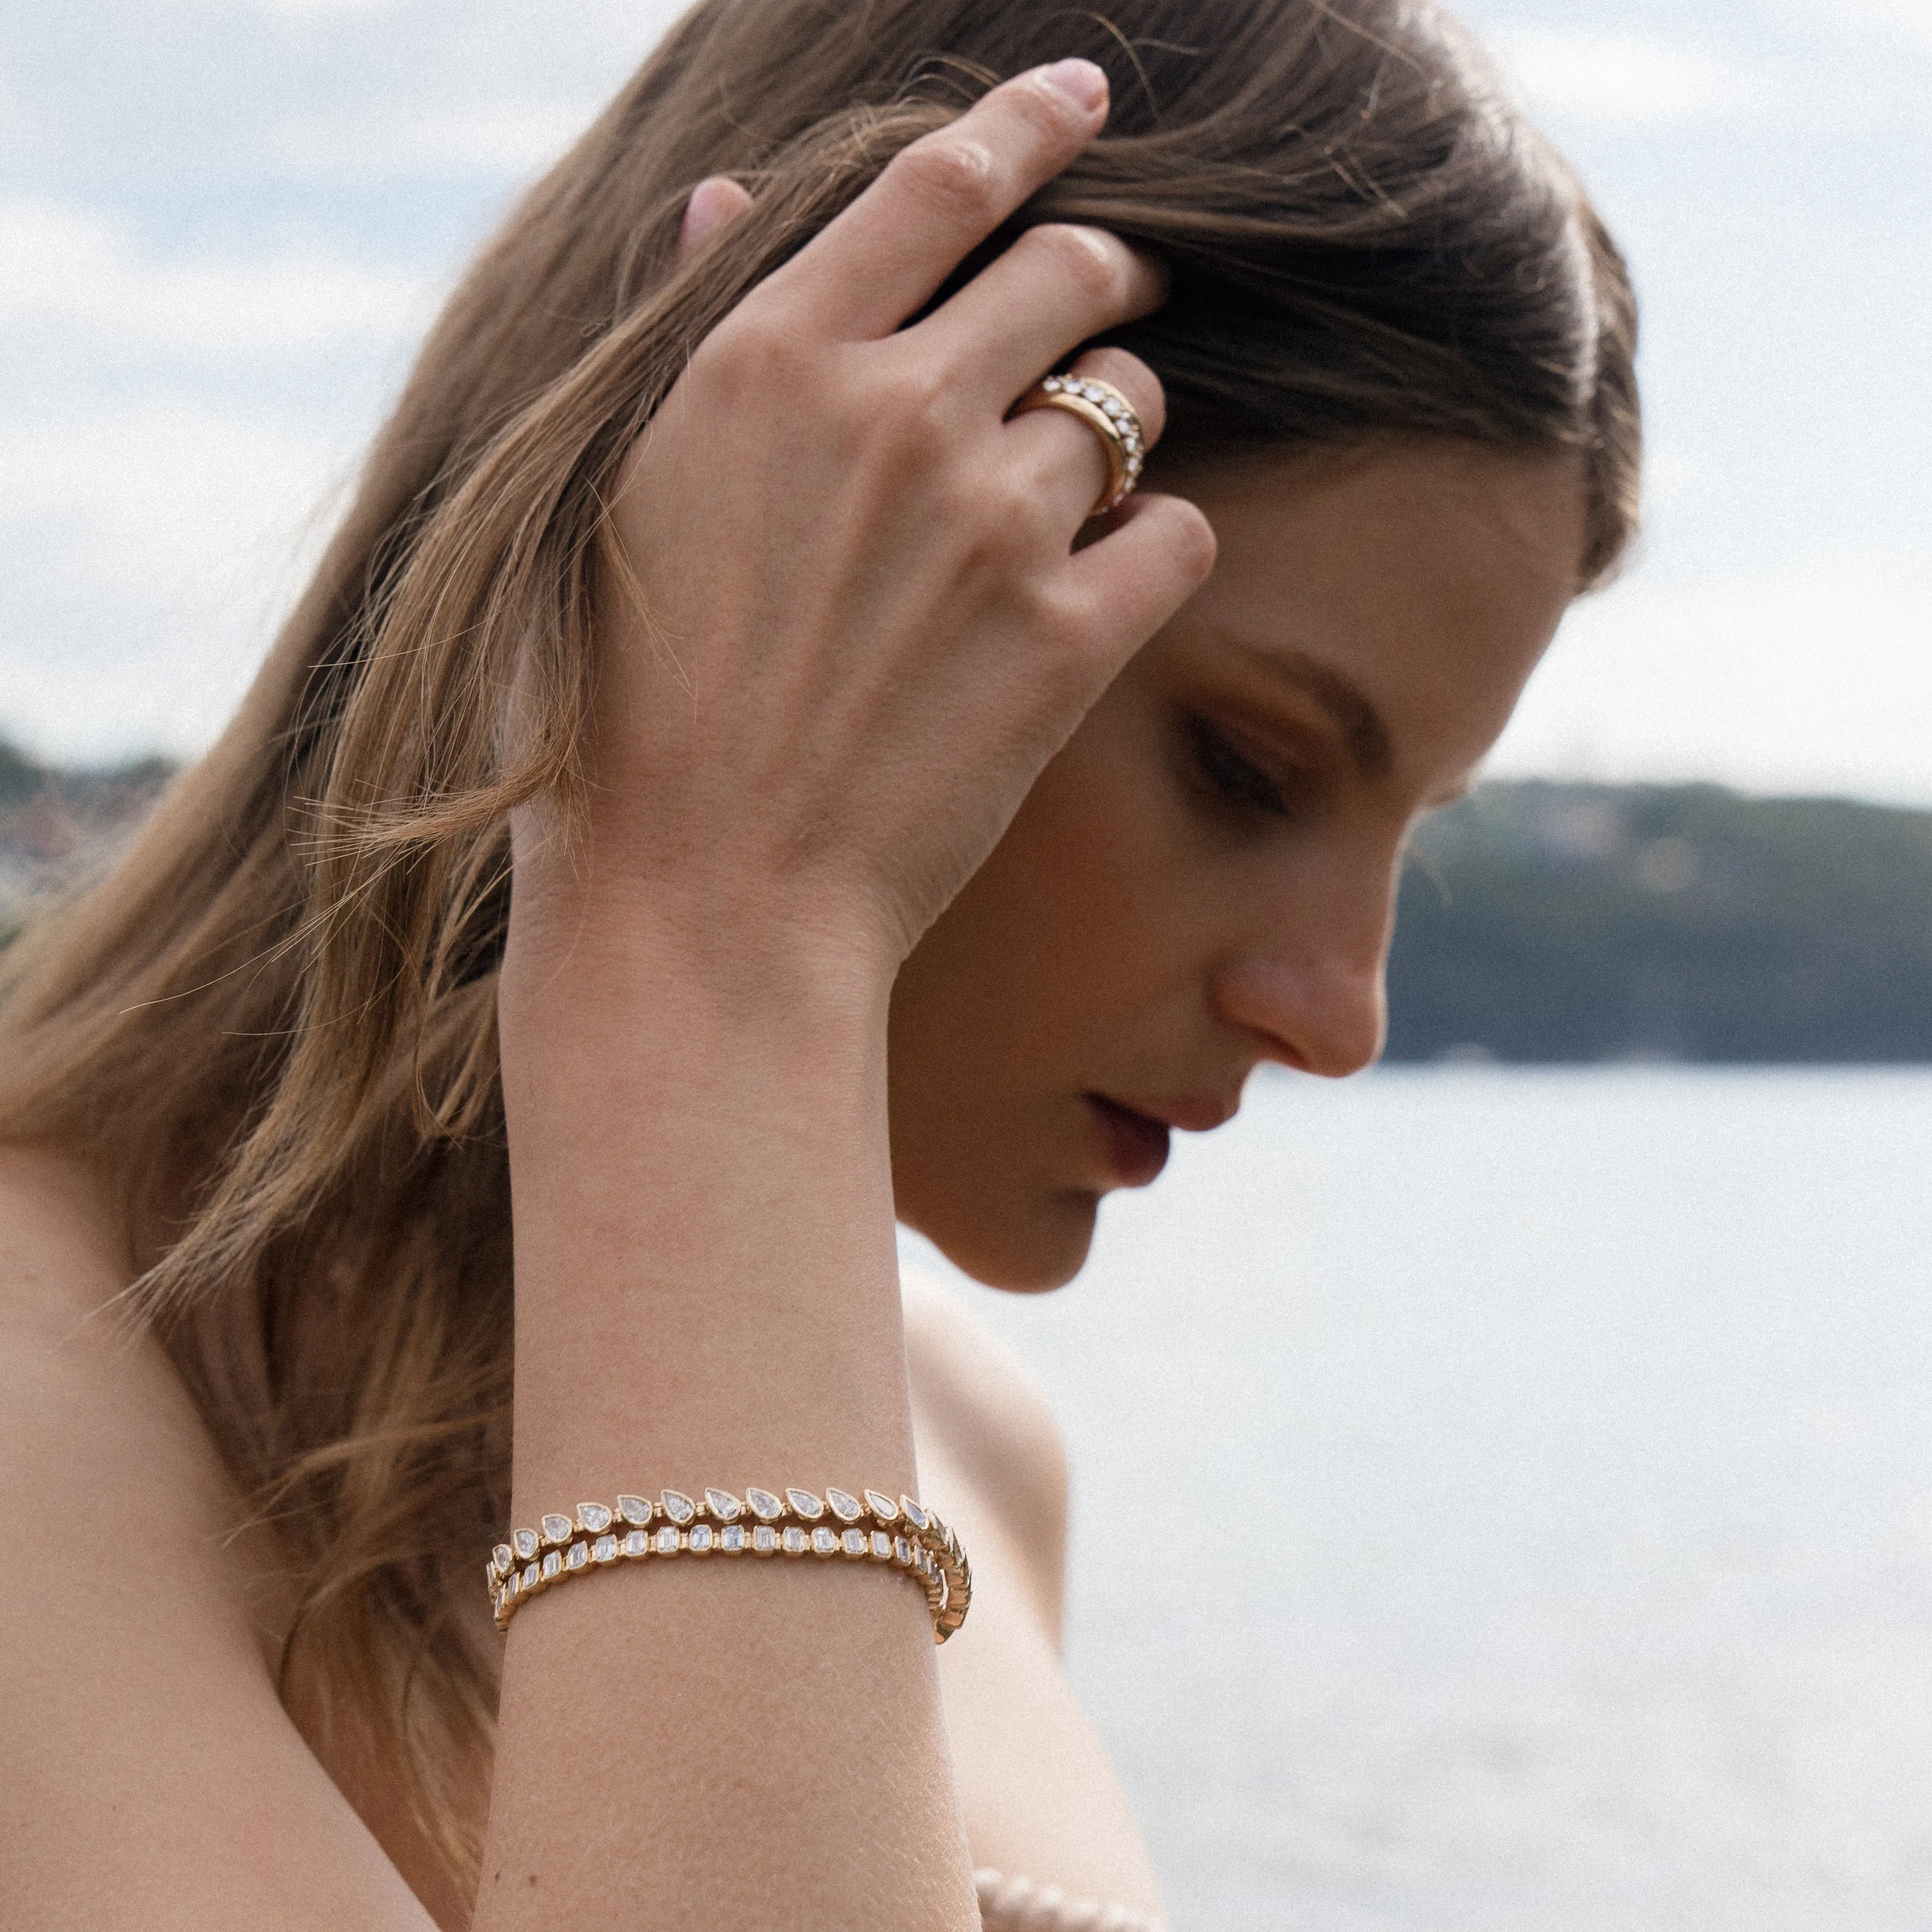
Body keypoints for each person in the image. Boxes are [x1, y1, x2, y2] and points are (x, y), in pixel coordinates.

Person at [0, 1, 1638, 1927]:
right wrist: (708, 924)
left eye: (1411, 831)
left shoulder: (964, 1447)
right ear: (769, 510)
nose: (1340, 1015)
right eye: (1247, 764)